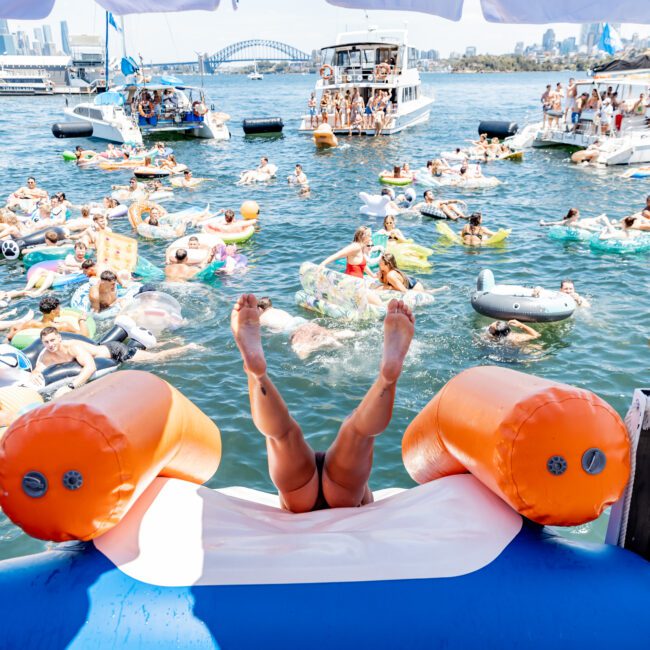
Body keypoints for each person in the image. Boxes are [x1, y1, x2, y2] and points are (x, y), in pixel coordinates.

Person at [230, 293, 414, 512]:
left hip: (299, 498)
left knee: (282, 435)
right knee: (356, 431)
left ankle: (256, 375)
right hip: (345, 495)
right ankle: (387, 379)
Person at [32, 326, 199, 397]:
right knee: (146, 353)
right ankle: (169, 341)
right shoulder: (46, 355)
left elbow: (89, 368)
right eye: (46, 342)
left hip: (115, 351)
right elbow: (38, 369)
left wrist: (71, 387)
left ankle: (188, 347)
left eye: (53, 340)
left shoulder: (73, 347)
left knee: (156, 358)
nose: (51, 345)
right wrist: (34, 375)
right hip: (104, 348)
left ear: (59, 338)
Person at [257, 297, 354, 360]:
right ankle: (351, 333)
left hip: (291, 328)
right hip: (300, 321)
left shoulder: (261, 318)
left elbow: (265, 333)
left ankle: (322, 343)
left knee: (302, 354)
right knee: (328, 333)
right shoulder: (277, 310)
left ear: (260, 309)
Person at [7, 295, 89, 342]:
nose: (60, 310)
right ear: (53, 312)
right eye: (58, 308)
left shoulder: (31, 324)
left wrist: (13, 329)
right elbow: (85, 336)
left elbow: (11, 336)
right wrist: (81, 320)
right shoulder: (63, 326)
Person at [539, 207, 610, 231]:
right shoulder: (575, 224)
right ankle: (598, 218)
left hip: (579, 224)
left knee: (584, 220)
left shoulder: (565, 221)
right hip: (583, 226)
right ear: (573, 216)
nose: (579, 215)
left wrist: (544, 224)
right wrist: (600, 230)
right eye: (578, 215)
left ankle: (598, 218)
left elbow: (553, 223)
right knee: (585, 221)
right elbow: (588, 228)